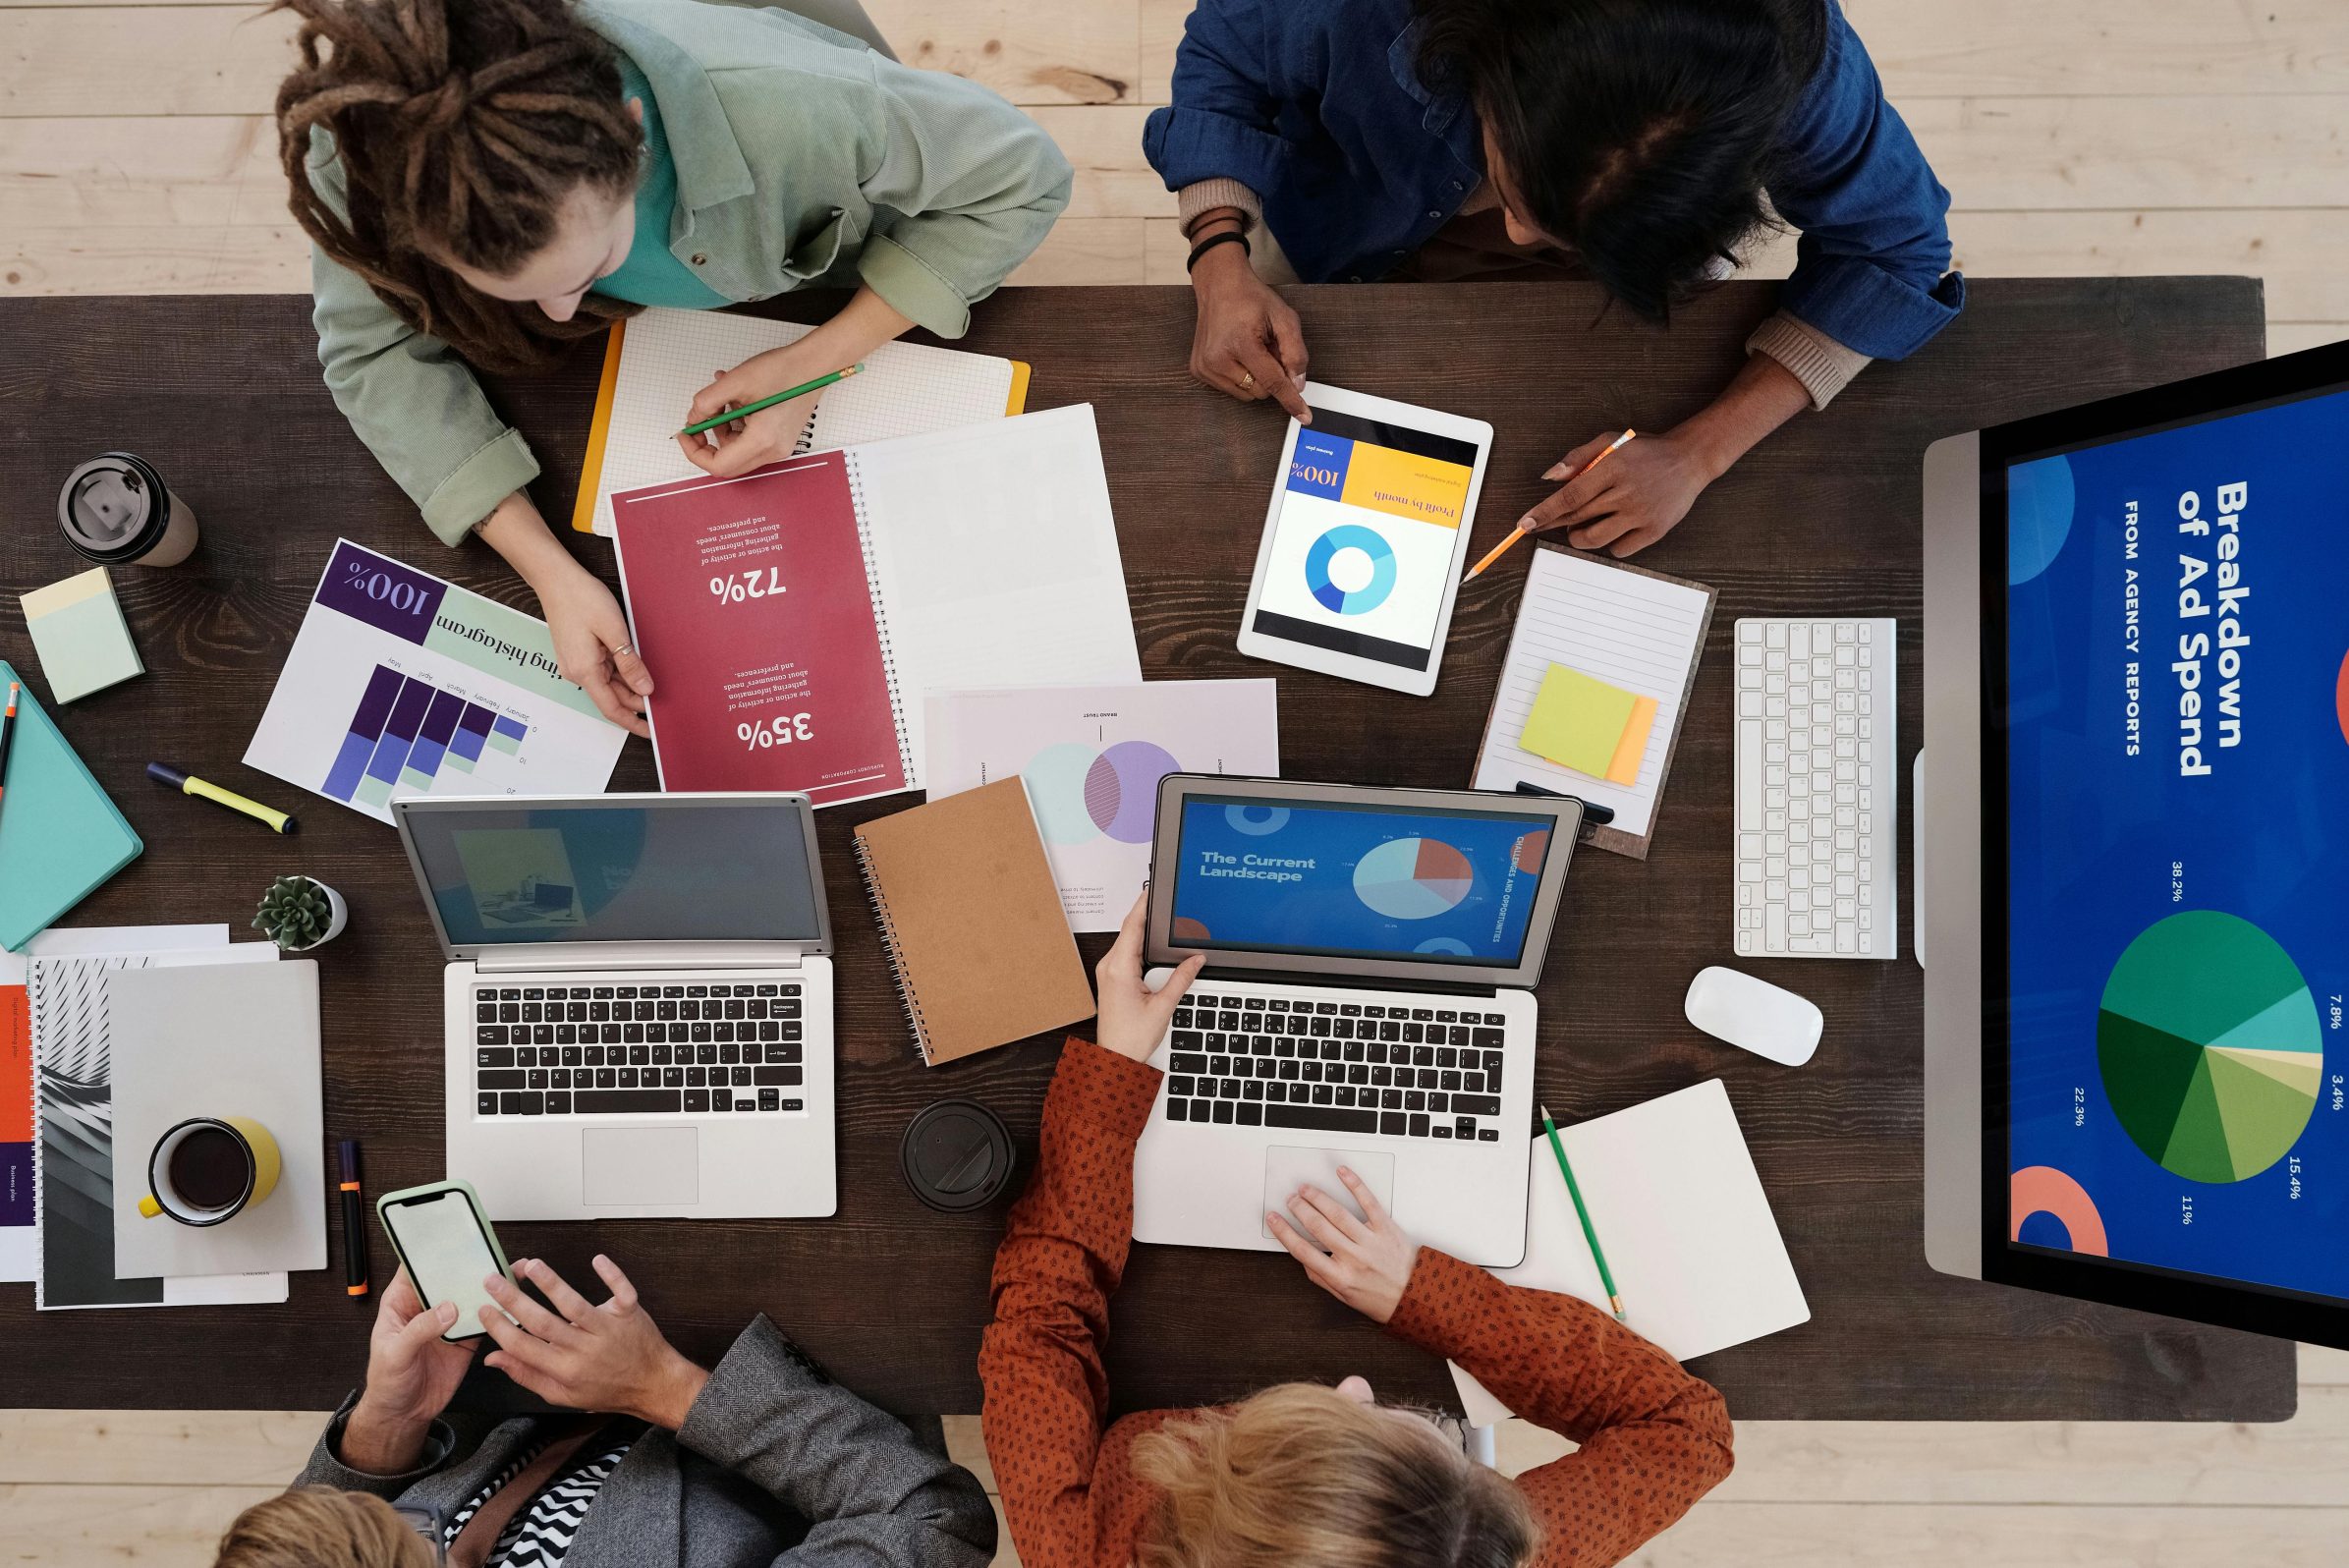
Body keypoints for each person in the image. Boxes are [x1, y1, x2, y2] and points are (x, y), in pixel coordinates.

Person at [275, 0, 1073, 734]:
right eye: (515, 293)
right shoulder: (369, 153)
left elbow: (1025, 178)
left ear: (632, 131)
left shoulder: (806, 107)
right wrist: (547, 570)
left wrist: (816, 361)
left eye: (590, 271)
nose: (562, 316)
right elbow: (370, 349)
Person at [978, 897, 1735, 1568]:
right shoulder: (1472, 1555)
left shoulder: (1079, 1549)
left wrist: (1112, 1070)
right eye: (1440, 1447)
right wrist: (1426, 1293)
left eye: (1330, 1433)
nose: (1356, 1385)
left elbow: (1039, 1327)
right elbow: (1686, 1430)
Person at [1143, 0, 1962, 558]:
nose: (1514, 236)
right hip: (1338, 219)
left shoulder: (1790, 66)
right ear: (1483, 56)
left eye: (1558, 225)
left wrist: (1699, 452)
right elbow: (1224, 58)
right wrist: (1217, 256)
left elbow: (1895, 251)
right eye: (1513, 186)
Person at [211, 1253, 994, 1567]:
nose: (434, 1529)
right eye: (422, 1546)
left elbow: (319, 1535)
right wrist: (664, 1387)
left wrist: (386, 1424)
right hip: (804, 1363)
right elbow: (933, 1516)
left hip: (558, 1361)